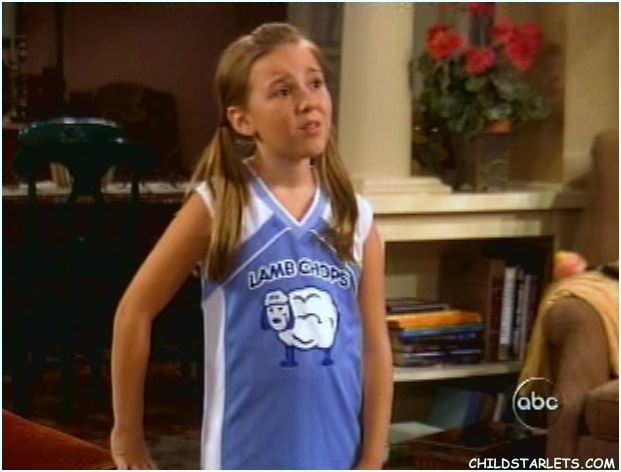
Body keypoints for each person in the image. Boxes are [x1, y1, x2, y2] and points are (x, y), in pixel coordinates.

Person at [110, 22, 393, 470]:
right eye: (283, 91)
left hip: (337, 458)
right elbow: (134, 311)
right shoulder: (220, 205)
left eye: (315, 83)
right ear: (243, 120)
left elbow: (375, 350)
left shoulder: (355, 218)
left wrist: (374, 457)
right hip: (242, 456)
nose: (307, 101)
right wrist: (127, 436)